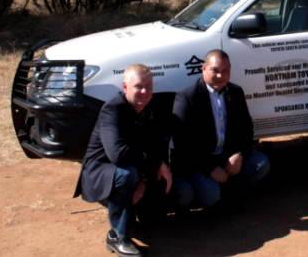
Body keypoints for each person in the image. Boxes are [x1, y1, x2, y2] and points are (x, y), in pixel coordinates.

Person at [74, 64, 172, 257]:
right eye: (138, 86)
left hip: (132, 167)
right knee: (127, 175)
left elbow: (155, 144)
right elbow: (118, 155)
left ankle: (135, 219)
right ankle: (117, 235)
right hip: (101, 172)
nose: (144, 92)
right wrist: (152, 165)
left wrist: (148, 175)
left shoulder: (150, 107)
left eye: (148, 87)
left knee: (153, 212)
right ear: (125, 87)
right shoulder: (112, 109)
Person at [171, 50, 270, 210]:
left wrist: (239, 154)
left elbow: (247, 129)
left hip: (227, 155)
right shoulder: (187, 97)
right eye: (215, 70)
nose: (220, 76)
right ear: (203, 69)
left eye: (225, 71)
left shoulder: (236, 92)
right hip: (200, 161)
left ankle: (233, 193)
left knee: (261, 164)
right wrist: (209, 168)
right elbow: (181, 142)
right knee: (210, 195)